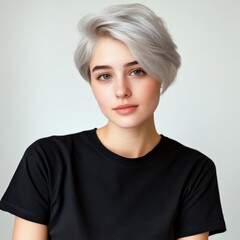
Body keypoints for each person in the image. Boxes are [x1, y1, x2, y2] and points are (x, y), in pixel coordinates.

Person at [0, 3, 226, 240]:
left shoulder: (194, 171)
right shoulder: (47, 160)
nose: (121, 91)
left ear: (161, 72)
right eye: (104, 76)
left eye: (136, 71)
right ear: (92, 84)